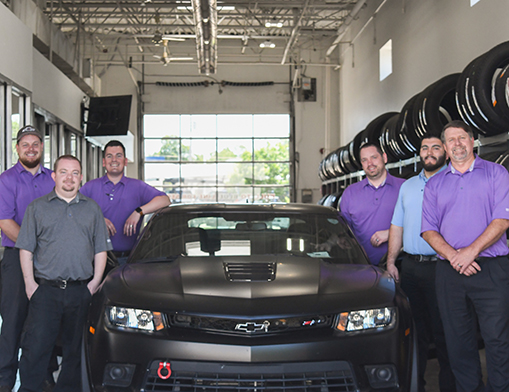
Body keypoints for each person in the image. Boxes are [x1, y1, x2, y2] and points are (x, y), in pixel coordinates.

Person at [421, 120, 509, 392]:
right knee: (458, 341)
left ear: (473, 141)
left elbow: (502, 220)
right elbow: (428, 230)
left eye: (462, 138)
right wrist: (455, 258)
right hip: (450, 273)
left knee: (497, 339)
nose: (457, 144)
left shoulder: (497, 173)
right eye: (451, 140)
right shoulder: (435, 184)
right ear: (445, 148)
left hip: (492, 270)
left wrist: (470, 253)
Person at [16, 155, 112, 392]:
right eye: (64, 172)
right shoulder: (37, 208)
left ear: (81, 177)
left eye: (75, 173)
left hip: (81, 291)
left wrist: (95, 282)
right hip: (46, 291)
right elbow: (26, 249)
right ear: (54, 176)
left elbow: (101, 250)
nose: (69, 178)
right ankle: (29, 389)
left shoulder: (92, 209)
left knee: (76, 351)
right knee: (36, 348)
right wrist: (30, 284)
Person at [386, 135, 455, 392]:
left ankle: (450, 387)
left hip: (443, 268)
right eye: (425, 148)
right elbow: (397, 225)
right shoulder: (408, 186)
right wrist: (391, 261)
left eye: (436, 147)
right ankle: (417, 386)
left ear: (446, 153)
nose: (429, 152)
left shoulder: (454, 182)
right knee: (415, 334)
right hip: (412, 269)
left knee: (446, 332)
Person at [0, 126, 55, 392]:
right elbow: (5, 221)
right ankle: (4, 379)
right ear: (17, 148)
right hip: (15, 258)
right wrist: (33, 249)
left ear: (42, 147)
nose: (31, 148)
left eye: (36, 143)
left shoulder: (53, 179)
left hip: (50, 263)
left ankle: (42, 375)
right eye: (25, 144)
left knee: (44, 321)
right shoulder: (6, 179)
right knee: (12, 321)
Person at [80, 140, 170, 262]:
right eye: (109, 156)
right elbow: (71, 209)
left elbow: (165, 200)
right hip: (94, 258)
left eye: (119, 156)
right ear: (103, 162)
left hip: (129, 259)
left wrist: (139, 211)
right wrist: (97, 219)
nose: (114, 160)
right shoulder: (90, 187)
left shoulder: (137, 186)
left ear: (125, 161)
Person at [339, 143, 405, 265]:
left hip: (399, 264)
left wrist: (391, 233)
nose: (370, 163)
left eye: (374, 157)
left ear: (384, 158)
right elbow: (344, 230)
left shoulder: (405, 187)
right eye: (365, 160)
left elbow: (419, 225)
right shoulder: (350, 193)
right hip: (361, 267)